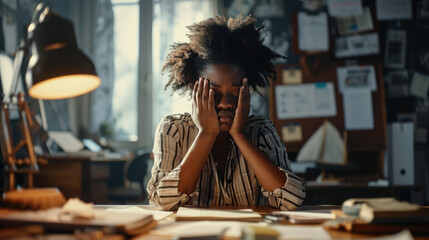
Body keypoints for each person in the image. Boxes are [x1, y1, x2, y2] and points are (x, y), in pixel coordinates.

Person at [147, 15, 305, 211]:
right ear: (193, 88)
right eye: (214, 92)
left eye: (235, 92)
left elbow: (292, 201)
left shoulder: (262, 131)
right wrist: (207, 134)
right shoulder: (172, 130)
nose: (225, 104)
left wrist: (239, 135)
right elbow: (162, 202)